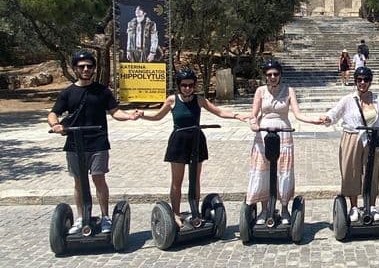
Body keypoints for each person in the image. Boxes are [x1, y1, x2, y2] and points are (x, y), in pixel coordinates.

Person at [138, 68, 248, 227]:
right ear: (179, 85)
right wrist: (142, 115)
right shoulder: (172, 100)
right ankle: (175, 213)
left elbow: (218, 112)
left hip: (196, 140)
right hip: (179, 141)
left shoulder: (199, 100)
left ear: (194, 85)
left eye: (190, 85)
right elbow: (157, 116)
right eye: (184, 85)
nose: (187, 88)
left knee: (195, 179)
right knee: (177, 180)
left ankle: (195, 211)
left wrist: (237, 115)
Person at [48, 50, 141, 234]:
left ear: (93, 69)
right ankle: (82, 217)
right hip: (75, 143)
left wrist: (129, 116)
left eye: (89, 66)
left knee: (99, 179)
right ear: (75, 68)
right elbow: (53, 113)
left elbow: (115, 112)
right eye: (82, 66)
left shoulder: (102, 91)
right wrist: (56, 125)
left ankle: (105, 217)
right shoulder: (68, 93)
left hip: (98, 142)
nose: (86, 69)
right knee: (79, 182)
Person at [323, 66, 379, 222]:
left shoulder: (377, 100)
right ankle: (354, 207)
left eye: (366, 80)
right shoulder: (348, 99)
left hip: (372, 140)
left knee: (372, 173)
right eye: (359, 80)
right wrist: (327, 118)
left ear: (370, 82)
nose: (362, 82)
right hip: (352, 138)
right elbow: (334, 113)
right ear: (355, 81)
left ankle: (371, 205)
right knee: (351, 172)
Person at [246, 60, 324, 224]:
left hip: (284, 133)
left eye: (276, 74)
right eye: (269, 74)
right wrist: (253, 123)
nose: (273, 77)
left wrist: (313, 120)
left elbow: (297, 114)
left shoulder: (289, 90)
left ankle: (284, 209)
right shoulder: (260, 91)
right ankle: (263, 210)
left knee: (284, 171)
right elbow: (254, 113)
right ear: (265, 76)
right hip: (263, 134)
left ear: (280, 75)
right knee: (263, 170)